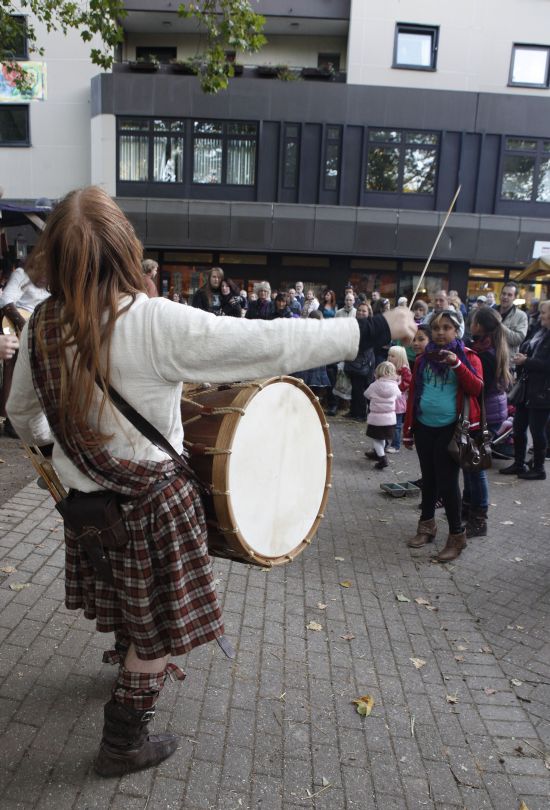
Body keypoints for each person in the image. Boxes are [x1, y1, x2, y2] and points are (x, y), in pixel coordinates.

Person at [6, 186, 417, 778]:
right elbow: (269, 343)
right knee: (156, 634)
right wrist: (375, 326)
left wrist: (65, 446)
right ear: (124, 247)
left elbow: (23, 415)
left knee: (127, 597)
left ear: (57, 256)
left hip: (87, 506)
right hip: (153, 506)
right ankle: (122, 742)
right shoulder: (150, 321)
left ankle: (128, 661)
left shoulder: (42, 322)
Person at [403, 310, 483, 562]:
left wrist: (457, 364)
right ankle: (427, 526)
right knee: (428, 479)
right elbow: (414, 394)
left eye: (446, 327)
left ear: (457, 331)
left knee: (448, 483)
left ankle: (457, 536)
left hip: (451, 429)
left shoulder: (469, 356)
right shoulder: (423, 358)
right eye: (436, 328)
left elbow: (477, 387)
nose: (440, 332)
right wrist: (408, 430)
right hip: (424, 426)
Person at [463, 307, 511, 536]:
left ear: (479, 326)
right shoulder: (485, 347)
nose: (470, 325)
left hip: (486, 414)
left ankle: (479, 518)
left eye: (473, 322)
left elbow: (478, 388)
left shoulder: (485, 355)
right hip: (489, 411)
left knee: (476, 466)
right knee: (470, 462)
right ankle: (468, 506)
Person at [500, 300, 550, 481]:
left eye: (543, 312)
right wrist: (524, 359)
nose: (539, 315)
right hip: (527, 388)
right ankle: (519, 463)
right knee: (518, 427)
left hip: (543, 392)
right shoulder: (540, 331)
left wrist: (526, 361)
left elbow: (546, 365)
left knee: (537, 431)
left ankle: (539, 468)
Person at [0, 260, 50, 436]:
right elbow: (5, 300)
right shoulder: (22, 274)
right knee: (14, 370)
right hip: (17, 327)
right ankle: (10, 421)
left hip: (39, 329)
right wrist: (24, 325)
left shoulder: (53, 281)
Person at [364, 361, 401, 470]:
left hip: (376, 419)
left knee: (376, 440)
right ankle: (379, 453)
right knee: (382, 438)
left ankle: (382, 458)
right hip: (390, 419)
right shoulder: (394, 386)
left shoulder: (374, 385)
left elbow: (366, 394)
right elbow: (399, 396)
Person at [343, 301, 375, 421]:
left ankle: (361, 414)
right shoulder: (354, 323)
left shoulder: (370, 326)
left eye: (364, 311)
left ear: (368, 313)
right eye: (359, 310)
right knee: (354, 388)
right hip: (353, 360)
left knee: (361, 389)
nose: (361, 312)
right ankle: (353, 411)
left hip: (364, 361)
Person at [386, 345, 411, 453]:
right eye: (389, 355)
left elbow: (406, 384)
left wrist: (393, 387)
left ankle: (395, 445)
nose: (390, 358)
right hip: (387, 401)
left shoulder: (405, 371)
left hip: (398, 402)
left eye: (393, 356)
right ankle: (383, 443)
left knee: (396, 425)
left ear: (400, 357)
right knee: (385, 423)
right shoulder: (387, 368)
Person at [496, 282, 528, 355]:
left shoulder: (521, 316)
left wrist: (499, 325)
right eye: (503, 293)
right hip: (488, 357)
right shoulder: (492, 311)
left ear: (515, 297)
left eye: (509, 295)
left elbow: (517, 339)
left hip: (507, 359)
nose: (505, 297)